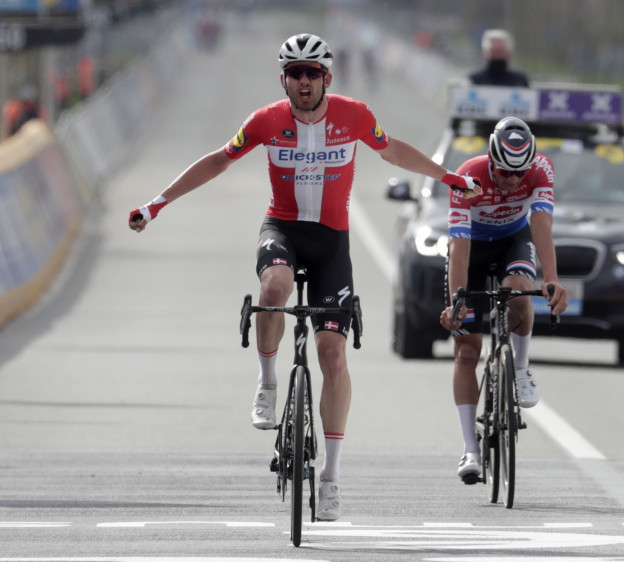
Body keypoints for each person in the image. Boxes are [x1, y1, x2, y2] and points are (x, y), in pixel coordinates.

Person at [128, 33, 481, 521]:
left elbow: (393, 150)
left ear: (327, 78)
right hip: (283, 229)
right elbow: (215, 161)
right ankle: (268, 382)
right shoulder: (266, 121)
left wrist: (449, 178)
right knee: (273, 289)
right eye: (294, 73)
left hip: (332, 242)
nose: (303, 81)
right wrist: (157, 203)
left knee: (331, 357)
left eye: (312, 72)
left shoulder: (354, 115)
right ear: (284, 80)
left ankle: (332, 476)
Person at [439, 117, 568, 484]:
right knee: (466, 350)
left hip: (514, 238)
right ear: (491, 160)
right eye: (504, 172)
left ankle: (522, 367)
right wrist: (458, 300)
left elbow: (542, 225)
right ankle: (470, 448)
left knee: (517, 295)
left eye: (519, 174)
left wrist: (552, 280)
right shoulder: (467, 176)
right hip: (473, 248)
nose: (512, 181)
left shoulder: (541, 169)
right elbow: (459, 249)